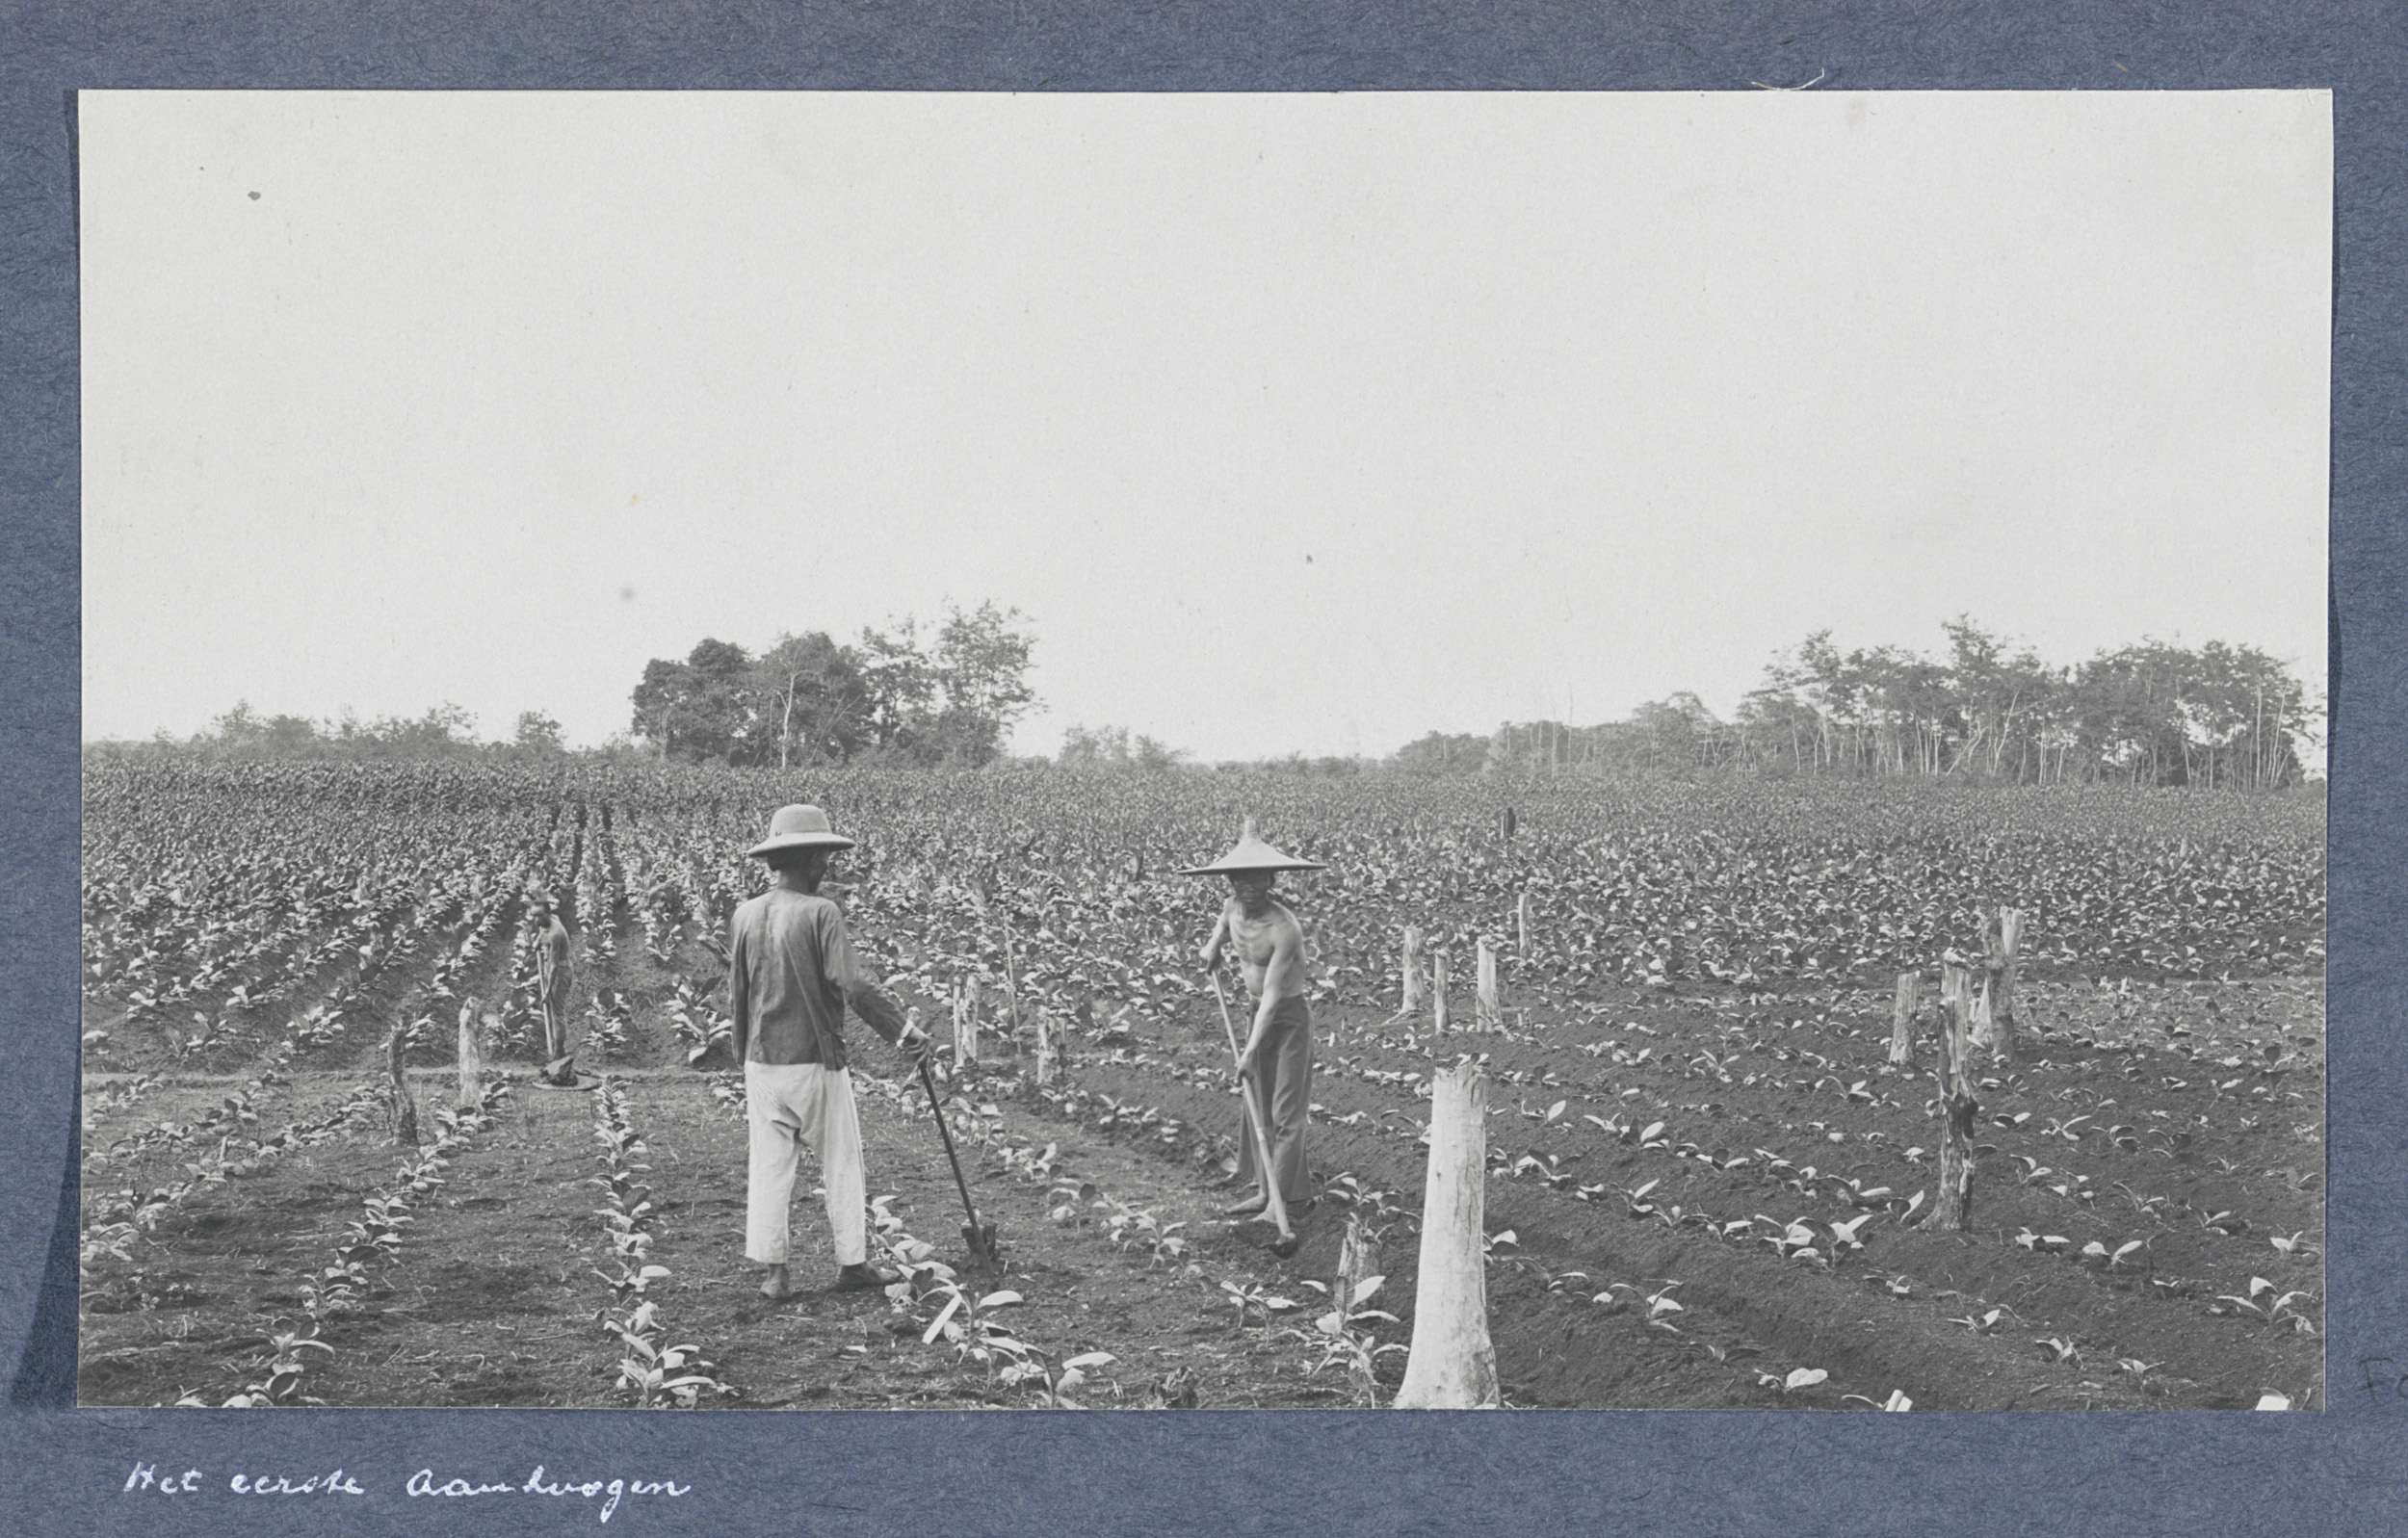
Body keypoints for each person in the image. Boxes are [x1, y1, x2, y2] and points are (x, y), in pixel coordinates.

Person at [729, 802, 930, 1299]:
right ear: (809, 858)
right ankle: (852, 1265)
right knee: (842, 1163)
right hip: (815, 1060)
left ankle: (775, 1274)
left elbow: (738, 993)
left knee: (769, 1168)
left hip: (761, 1061)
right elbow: (853, 984)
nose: (827, 865)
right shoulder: (821, 912)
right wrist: (904, 1032)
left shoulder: (745, 914)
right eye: (822, 856)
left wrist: (743, 1054)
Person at [1183, 819, 1325, 1221]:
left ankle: (1280, 1205)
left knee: (1286, 1112)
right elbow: (1222, 926)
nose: (1249, 886)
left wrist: (1248, 1052)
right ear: (1230, 881)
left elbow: (1273, 997)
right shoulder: (1231, 907)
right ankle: (1266, 1193)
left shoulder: (1284, 928)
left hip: (1287, 1019)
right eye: (1241, 878)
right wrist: (1212, 946)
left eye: (1257, 878)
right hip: (1254, 1012)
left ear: (1271, 880)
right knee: (1258, 1106)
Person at [534, 892, 577, 1084]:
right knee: (552, 1012)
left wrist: (547, 991)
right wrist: (537, 941)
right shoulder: (550, 921)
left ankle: (559, 1053)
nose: (536, 920)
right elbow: (542, 931)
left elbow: (553, 967)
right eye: (533, 915)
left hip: (560, 972)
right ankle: (557, 1053)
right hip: (552, 969)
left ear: (547, 914)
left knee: (557, 1013)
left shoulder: (556, 934)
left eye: (539, 915)